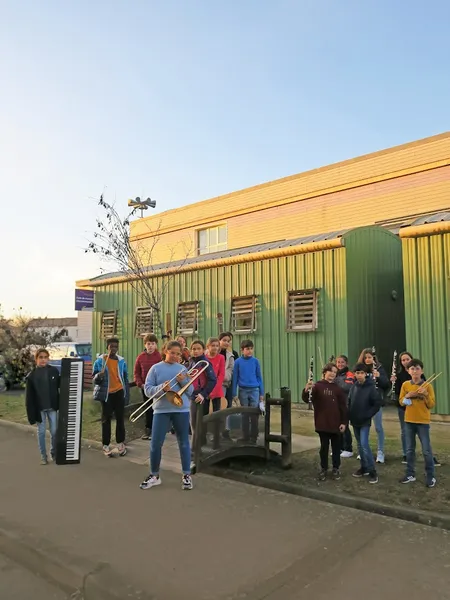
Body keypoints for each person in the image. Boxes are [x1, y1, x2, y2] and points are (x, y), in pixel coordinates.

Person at [140, 340, 195, 490]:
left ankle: (186, 475)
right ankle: (154, 475)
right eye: (172, 353)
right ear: (165, 351)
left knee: (183, 442)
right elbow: (148, 390)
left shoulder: (183, 369)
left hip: (181, 410)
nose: (175, 356)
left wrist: (184, 382)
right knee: (155, 444)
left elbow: (190, 392)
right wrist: (161, 388)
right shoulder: (155, 369)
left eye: (178, 354)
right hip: (161, 410)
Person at [391, 351, 440, 467]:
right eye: (403, 360)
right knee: (406, 434)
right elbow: (399, 395)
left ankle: (430, 459)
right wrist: (394, 383)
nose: (405, 362)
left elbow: (429, 399)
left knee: (425, 441)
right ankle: (406, 456)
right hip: (405, 410)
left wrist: (423, 394)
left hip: (420, 413)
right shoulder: (399, 377)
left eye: (407, 359)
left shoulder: (420, 376)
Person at [302, 363, 348, 481]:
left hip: (336, 424)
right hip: (322, 423)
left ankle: (336, 468)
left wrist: (343, 422)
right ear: (324, 373)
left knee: (336, 448)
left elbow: (343, 407)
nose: (333, 374)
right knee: (324, 448)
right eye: (330, 371)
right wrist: (306, 389)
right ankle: (323, 469)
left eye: (335, 372)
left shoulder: (338, 388)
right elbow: (308, 399)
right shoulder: (317, 386)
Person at [399, 359, 436, 488]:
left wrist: (425, 395)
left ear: (422, 371)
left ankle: (431, 475)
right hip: (409, 421)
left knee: (426, 450)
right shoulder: (405, 385)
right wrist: (408, 396)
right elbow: (401, 402)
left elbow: (431, 405)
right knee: (409, 450)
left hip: (423, 422)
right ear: (408, 371)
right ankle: (410, 474)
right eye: (412, 369)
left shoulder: (428, 386)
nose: (415, 371)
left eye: (417, 368)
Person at [93, 337, 129, 458]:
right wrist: (99, 375)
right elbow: (95, 379)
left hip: (119, 392)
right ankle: (106, 445)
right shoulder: (100, 361)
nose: (113, 349)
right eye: (111, 346)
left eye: (115, 346)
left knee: (120, 419)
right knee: (106, 419)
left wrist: (126, 393)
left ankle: (120, 443)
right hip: (106, 394)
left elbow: (125, 377)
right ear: (107, 347)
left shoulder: (121, 361)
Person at [25, 348, 60, 465]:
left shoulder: (54, 371)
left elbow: (61, 385)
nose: (43, 360)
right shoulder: (32, 376)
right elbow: (29, 398)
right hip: (40, 408)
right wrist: (31, 415)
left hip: (52, 407)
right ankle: (43, 456)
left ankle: (53, 452)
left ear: (48, 358)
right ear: (36, 359)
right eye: (41, 357)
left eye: (45, 357)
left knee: (54, 431)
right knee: (41, 432)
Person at [348, 363, 381, 484]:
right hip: (355, 421)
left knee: (364, 444)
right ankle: (364, 467)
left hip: (365, 422)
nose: (359, 375)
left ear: (366, 374)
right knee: (359, 446)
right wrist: (348, 415)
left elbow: (377, 404)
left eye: (362, 373)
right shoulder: (354, 387)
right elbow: (349, 401)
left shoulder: (371, 387)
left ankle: (372, 471)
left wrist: (368, 414)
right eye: (357, 373)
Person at [358, 348, 389, 464]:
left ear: (374, 358)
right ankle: (364, 451)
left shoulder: (379, 368)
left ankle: (381, 452)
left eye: (369, 357)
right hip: (363, 402)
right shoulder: (361, 369)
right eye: (365, 357)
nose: (367, 359)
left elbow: (386, 384)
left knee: (378, 427)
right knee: (363, 427)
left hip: (375, 402)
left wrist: (379, 376)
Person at [231, 340, 264, 443]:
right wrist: (234, 393)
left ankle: (254, 436)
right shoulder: (238, 362)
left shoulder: (255, 361)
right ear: (242, 350)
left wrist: (261, 393)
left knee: (254, 413)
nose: (249, 351)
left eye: (251, 348)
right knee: (244, 414)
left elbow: (259, 377)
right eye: (247, 349)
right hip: (243, 390)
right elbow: (235, 378)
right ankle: (245, 436)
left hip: (254, 389)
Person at [187, 340, 216, 449]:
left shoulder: (205, 363)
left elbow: (213, 380)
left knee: (195, 424)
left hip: (199, 396)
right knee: (193, 424)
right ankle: (198, 445)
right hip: (191, 395)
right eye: (194, 349)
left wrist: (203, 394)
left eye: (199, 349)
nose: (196, 351)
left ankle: (194, 449)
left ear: (204, 350)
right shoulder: (191, 362)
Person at [134, 333, 162, 440]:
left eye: (153, 344)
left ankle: (157, 431)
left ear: (156, 345)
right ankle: (148, 430)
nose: (150, 346)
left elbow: (162, 371)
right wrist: (140, 384)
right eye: (148, 344)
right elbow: (136, 372)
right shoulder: (140, 357)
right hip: (145, 387)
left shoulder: (159, 356)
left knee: (157, 408)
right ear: (145, 345)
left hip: (157, 387)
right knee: (148, 408)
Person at [335, 355, 355, 458]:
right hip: (336, 404)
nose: (340, 364)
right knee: (337, 426)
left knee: (345, 426)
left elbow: (348, 387)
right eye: (338, 362)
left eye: (342, 362)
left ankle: (348, 448)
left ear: (346, 363)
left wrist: (335, 380)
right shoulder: (335, 374)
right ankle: (340, 447)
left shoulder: (349, 374)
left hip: (346, 404)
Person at [219, 332, 236, 439]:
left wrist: (224, 377)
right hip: (214, 384)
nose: (226, 343)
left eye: (228, 341)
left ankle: (226, 430)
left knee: (226, 407)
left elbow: (231, 370)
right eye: (224, 340)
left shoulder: (232, 355)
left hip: (226, 384)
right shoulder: (214, 352)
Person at [205, 337, 225, 414]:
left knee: (216, 412)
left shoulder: (221, 357)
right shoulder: (204, 358)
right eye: (213, 345)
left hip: (217, 388)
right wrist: (207, 390)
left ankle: (216, 426)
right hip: (205, 389)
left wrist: (215, 389)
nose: (215, 347)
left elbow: (221, 374)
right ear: (208, 346)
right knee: (205, 412)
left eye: (217, 346)